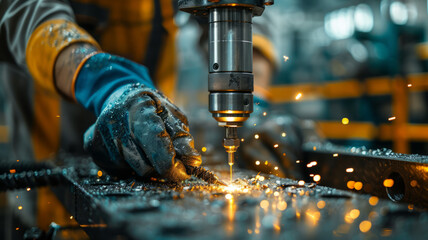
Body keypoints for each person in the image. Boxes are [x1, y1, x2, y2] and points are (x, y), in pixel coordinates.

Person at [0, 0, 282, 233]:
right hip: (48, 196)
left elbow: (250, 23)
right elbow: (25, 13)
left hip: (154, 180)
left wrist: (252, 101)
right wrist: (105, 83)